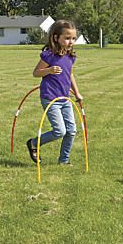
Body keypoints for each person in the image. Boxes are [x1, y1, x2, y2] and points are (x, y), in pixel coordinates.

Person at [26, 20, 83, 165]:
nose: (71, 41)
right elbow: (36, 73)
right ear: (56, 38)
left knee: (71, 131)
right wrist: (49, 70)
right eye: (67, 38)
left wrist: (77, 93)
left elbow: (70, 75)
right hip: (50, 98)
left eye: (73, 38)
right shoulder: (49, 55)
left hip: (65, 99)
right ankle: (33, 143)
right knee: (59, 131)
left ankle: (64, 160)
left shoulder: (70, 56)